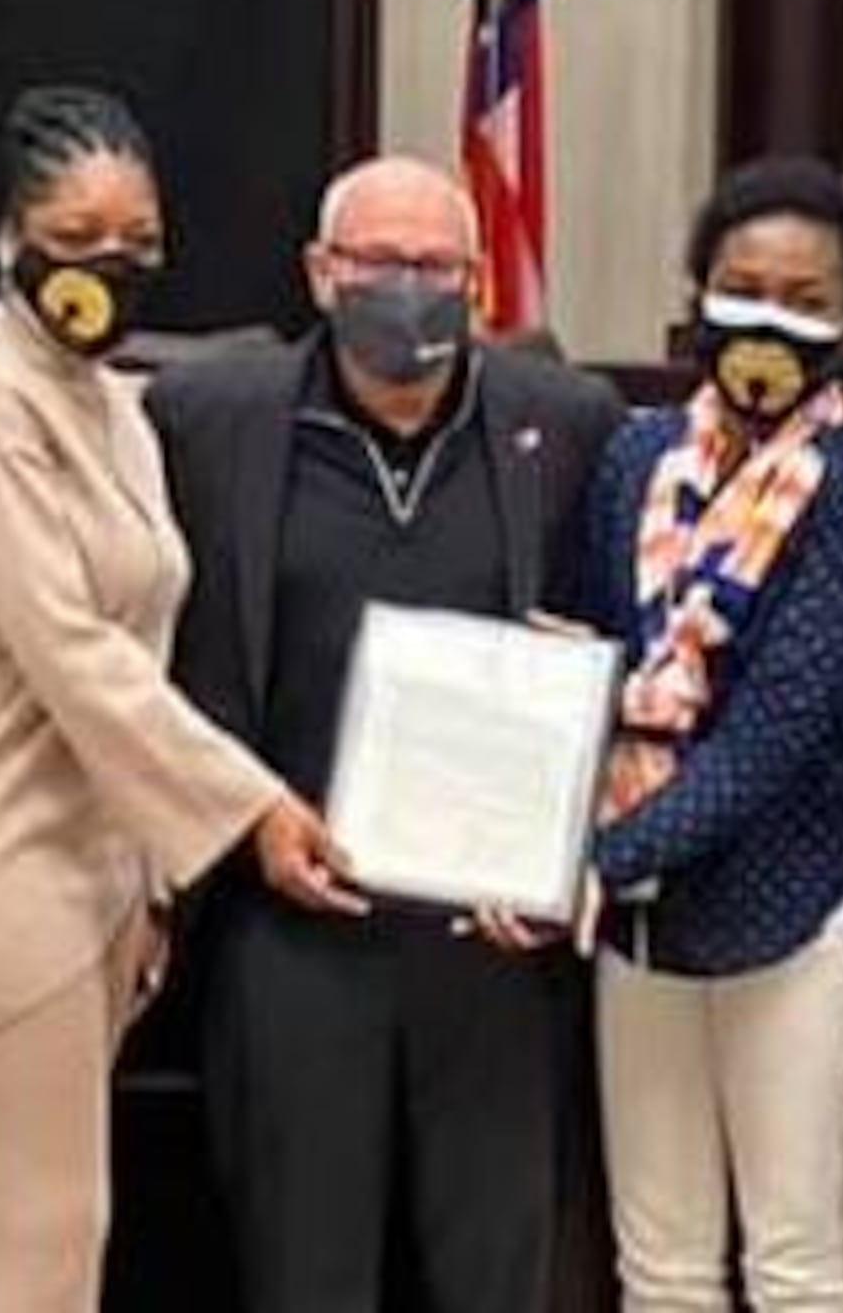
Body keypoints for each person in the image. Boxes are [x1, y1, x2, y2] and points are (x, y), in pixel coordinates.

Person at [0, 85, 354, 1313]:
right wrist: (253, 809)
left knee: (28, 1241)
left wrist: (150, 872)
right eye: (75, 240)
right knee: (31, 1249)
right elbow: (71, 652)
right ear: (9, 237)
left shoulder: (110, 403)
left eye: (137, 242)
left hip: (83, 861)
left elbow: (144, 639)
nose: (108, 268)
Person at [150, 154, 623, 1313]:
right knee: (301, 1271)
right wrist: (241, 827)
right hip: (291, 924)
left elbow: (624, 641)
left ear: (478, 281)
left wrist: (572, 809)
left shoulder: (567, 424)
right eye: (377, 262)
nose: (407, 288)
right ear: (321, 273)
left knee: (492, 1270)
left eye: (435, 265)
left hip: (493, 942)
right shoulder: (207, 420)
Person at [566, 157, 843, 1313]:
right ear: (697, 298)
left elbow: (775, 734)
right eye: (743, 288)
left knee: (793, 1263)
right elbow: (593, 659)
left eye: (805, 298)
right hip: (640, 922)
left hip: (794, 910)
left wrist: (586, 862)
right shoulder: (635, 459)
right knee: (659, 1266)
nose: (767, 322)